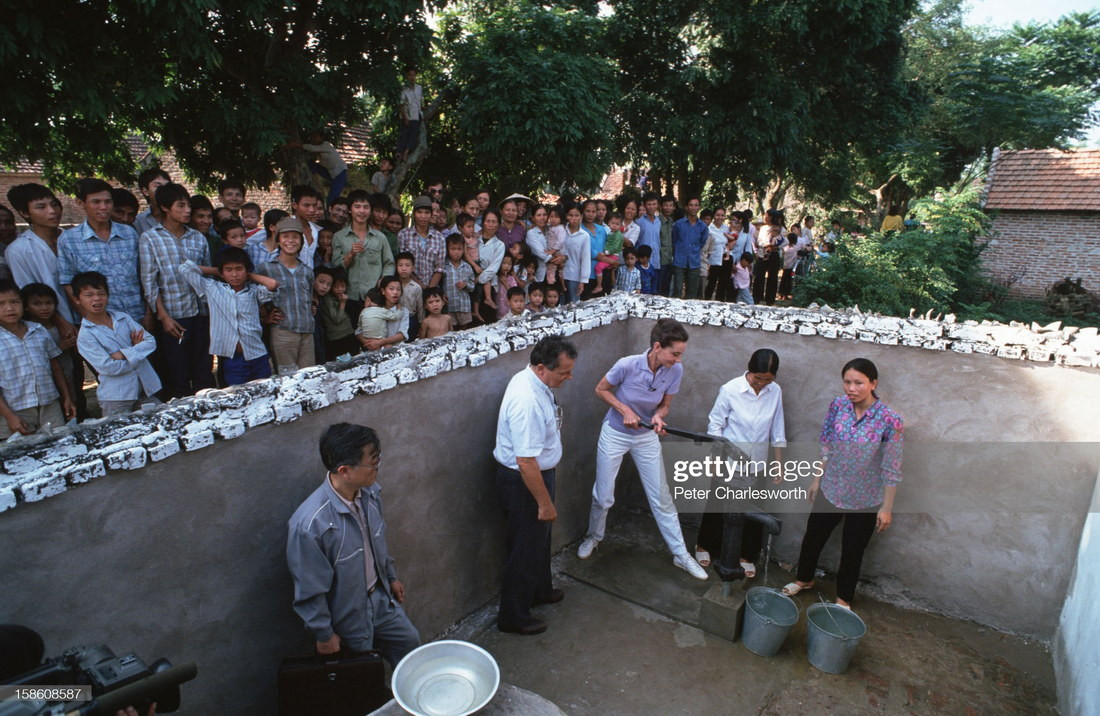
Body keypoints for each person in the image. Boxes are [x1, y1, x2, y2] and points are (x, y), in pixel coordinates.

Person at [576, 319, 708, 580]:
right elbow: (601, 389)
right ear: (658, 346)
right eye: (675, 353)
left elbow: (665, 405)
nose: (679, 359)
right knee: (603, 496)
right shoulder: (627, 364)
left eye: (681, 354)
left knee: (662, 498)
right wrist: (624, 409)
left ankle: (681, 555)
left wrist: (659, 417)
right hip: (615, 433)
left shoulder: (675, 371)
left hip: (646, 437)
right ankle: (594, 537)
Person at [286, 422, 421, 665]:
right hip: (349, 616)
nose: (377, 468)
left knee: (409, 644)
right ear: (344, 470)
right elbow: (309, 587)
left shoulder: (370, 494)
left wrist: (390, 577)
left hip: (380, 599)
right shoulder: (311, 525)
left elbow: (378, 541)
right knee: (364, 672)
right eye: (372, 462)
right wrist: (324, 634)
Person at [783, 358, 904, 609]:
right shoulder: (838, 406)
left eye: (858, 383)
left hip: (865, 498)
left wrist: (886, 507)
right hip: (832, 487)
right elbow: (826, 443)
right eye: (847, 382)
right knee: (813, 537)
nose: (851, 388)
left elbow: (891, 466)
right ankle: (804, 579)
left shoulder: (890, 420)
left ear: (873, 383)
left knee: (852, 549)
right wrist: (818, 478)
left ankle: (842, 600)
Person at [494, 335, 577, 635]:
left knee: (538, 543)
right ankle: (513, 616)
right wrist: (544, 503)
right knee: (525, 550)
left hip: (536, 476)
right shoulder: (526, 400)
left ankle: (540, 589)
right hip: (526, 483)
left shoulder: (536, 382)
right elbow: (526, 462)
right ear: (542, 368)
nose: (569, 377)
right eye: (564, 372)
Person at [696, 349, 787, 581]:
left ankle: (747, 555)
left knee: (753, 507)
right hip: (729, 460)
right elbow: (715, 426)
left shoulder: (775, 391)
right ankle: (704, 545)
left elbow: (777, 428)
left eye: (768, 379)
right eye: (758, 378)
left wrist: (777, 463)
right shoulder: (730, 390)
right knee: (718, 503)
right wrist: (715, 460)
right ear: (750, 371)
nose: (761, 384)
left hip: (757, 461)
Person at [138, 182, 214, 399]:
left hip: (201, 314)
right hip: (174, 318)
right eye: (181, 205)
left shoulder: (197, 238)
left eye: (188, 205)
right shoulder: (150, 238)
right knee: (177, 375)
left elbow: (206, 278)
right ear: (165, 207)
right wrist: (163, 317)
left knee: (203, 373)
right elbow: (150, 283)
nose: (187, 210)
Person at [179, 248, 280, 386]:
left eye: (239, 269)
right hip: (232, 359)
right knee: (238, 396)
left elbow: (272, 284)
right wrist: (218, 271)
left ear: (247, 270)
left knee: (265, 392)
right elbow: (185, 268)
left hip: (258, 355)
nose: (234, 274)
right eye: (229, 270)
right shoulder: (212, 289)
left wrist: (248, 275)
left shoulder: (253, 292)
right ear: (222, 272)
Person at [58, 179, 148, 326]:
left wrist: (148, 314)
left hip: (137, 317)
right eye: (96, 202)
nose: (103, 207)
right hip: (101, 322)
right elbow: (68, 283)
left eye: (108, 202)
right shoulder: (69, 240)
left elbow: (144, 276)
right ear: (81, 203)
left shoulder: (129, 234)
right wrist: (91, 320)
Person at [73, 271, 161, 416]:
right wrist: (137, 352)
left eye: (101, 293)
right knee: (123, 435)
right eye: (89, 295)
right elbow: (109, 368)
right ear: (77, 299)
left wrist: (123, 354)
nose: (96, 299)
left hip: (145, 387)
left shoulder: (123, 318)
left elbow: (150, 342)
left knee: (159, 425)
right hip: (116, 397)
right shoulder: (85, 336)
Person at [0, 278, 76, 437]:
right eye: (1, 304)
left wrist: (66, 397)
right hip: (16, 409)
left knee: (62, 445)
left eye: (15, 302)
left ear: (23, 304)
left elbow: (54, 365)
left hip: (50, 404)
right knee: (25, 455)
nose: (9, 308)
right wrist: (9, 416)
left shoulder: (38, 330)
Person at [257, 217, 315, 372]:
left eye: (295, 237)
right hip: (283, 331)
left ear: (301, 242)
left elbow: (309, 298)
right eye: (285, 236)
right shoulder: (266, 269)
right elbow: (253, 297)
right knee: (287, 377)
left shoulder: (307, 271)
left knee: (309, 375)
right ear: (278, 240)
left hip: (307, 330)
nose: (290, 241)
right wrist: (264, 317)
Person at [398, 196, 445, 288]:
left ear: (431, 214)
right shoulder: (403, 235)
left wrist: (430, 289)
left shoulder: (439, 238)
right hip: (408, 287)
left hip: (433, 289)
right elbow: (403, 264)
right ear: (414, 214)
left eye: (427, 213)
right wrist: (421, 286)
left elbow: (439, 268)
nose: (423, 217)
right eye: (419, 212)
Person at [357, 276, 408, 351]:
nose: (395, 292)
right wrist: (367, 343)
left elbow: (402, 335)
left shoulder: (403, 311)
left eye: (399, 289)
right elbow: (358, 331)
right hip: (372, 349)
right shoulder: (373, 309)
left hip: (395, 350)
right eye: (391, 289)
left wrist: (379, 342)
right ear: (383, 291)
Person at [670, 197, 707, 299]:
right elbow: (673, 240)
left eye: (696, 205)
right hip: (679, 262)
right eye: (691, 205)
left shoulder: (702, 226)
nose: (693, 208)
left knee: (692, 293)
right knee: (677, 290)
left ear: (699, 207)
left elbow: (702, 243)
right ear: (686, 207)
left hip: (694, 262)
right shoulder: (678, 224)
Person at [752, 208, 785, 306]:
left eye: (766, 215)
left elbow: (785, 241)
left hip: (774, 254)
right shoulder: (763, 228)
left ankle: (770, 299)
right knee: (759, 276)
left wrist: (775, 246)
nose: (765, 217)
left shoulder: (781, 228)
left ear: (770, 217)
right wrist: (766, 244)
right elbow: (759, 240)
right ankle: (757, 297)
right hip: (763, 253)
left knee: (772, 277)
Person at [442, 233, 475, 329]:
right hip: (449, 305)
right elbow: (439, 283)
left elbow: (472, 286)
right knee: (450, 329)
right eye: (453, 249)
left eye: (459, 249)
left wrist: (466, 285)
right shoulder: (444, 266)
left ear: (463, 250)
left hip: (463, 306)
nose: (456, 252)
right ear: (448, 250)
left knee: (464, 328)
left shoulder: (467, 266)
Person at [289, 185, 324, 269]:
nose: (312, 210)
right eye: (306, 205)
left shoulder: (316, 230)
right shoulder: (285, 226)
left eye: (314, 205)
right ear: (294, 205)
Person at [561, 205, 590, 305]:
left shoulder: (584, 236)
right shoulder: (561, 231)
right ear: (566, 216)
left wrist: (583, 280)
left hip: (575, 276)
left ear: (581, 216)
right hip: (559, 275)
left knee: (573, 305)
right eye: (570, 215)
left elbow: (585, 259)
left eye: (576, 215)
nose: (573, 219)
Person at [133, 168, 171, 235]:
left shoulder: (181, 216)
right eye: (158, 186)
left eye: (167, 186)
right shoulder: (138, 222)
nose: (164, 190)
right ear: (145, 191)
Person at [397, 67, 425, 161]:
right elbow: (401, 104)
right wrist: (405, 117)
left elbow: (420, 100)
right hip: (407, 115)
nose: (412, 77)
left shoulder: (419, 88)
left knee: (413, 136)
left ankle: (406, 153)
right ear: (407, 77)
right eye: (410, 75)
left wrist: (422, 110)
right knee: (404, 135)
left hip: (417, 115)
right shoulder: (403, 89)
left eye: (414, 75)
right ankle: (399, 153)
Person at [395, 252, 423, 338]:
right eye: (400, 265)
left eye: (407, 265)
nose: (404, 268)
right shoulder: (393, 286)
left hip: (411, 319)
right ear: (396, 267)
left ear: (413, 268)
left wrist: (421, 322)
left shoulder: (416, 287)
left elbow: (420, 307)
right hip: (395, 318)